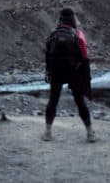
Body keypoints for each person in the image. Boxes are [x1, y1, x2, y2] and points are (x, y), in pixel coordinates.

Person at [42, 7, 95, 142]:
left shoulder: (53, 34)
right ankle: (90, 134)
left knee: (53, 101)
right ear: (72, 18)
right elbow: (84, 56)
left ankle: (48, 133)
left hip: (56, 73)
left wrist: (48, 71)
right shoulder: (78, 34)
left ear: (60, 19)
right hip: (74, 73)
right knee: (80, 102)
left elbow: (47, 54)